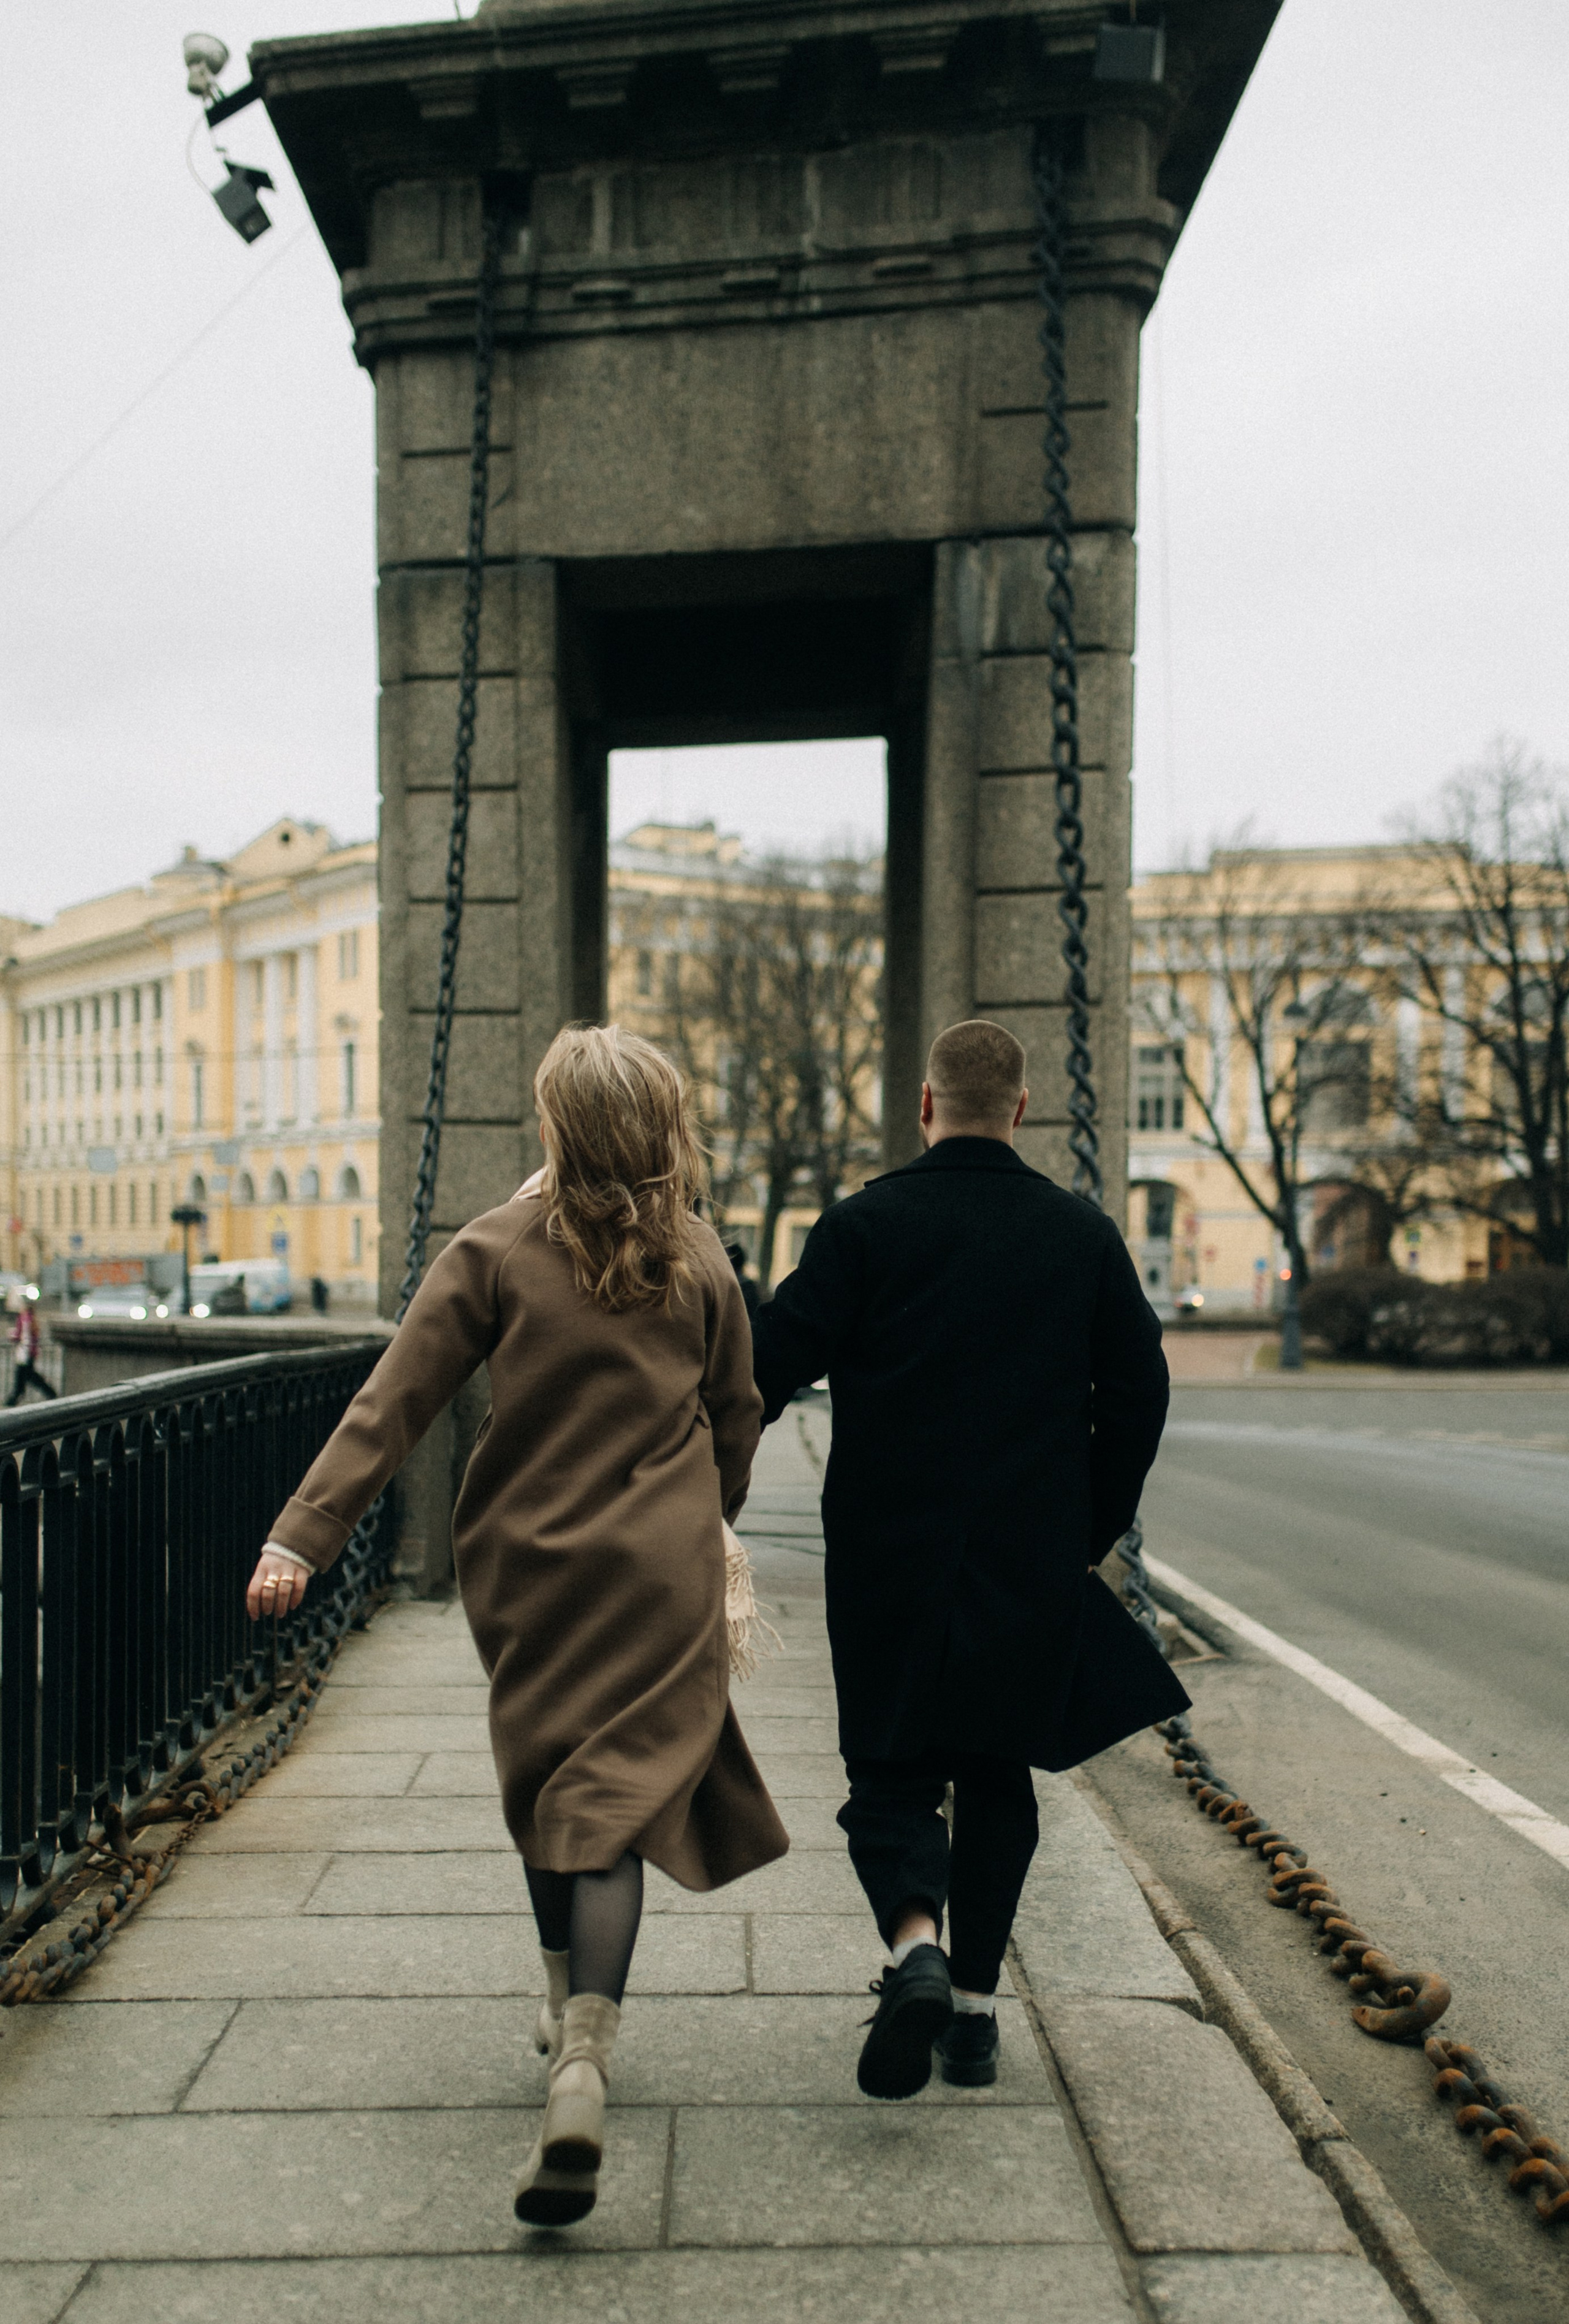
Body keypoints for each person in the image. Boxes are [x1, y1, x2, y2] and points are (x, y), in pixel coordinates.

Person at [246, 1026, 788, 2224]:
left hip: (528, 1575)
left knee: (555, 1785)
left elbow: (397, 1399)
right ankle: (582, 2025)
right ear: (663, 1128)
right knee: (611, 1801)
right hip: (661, 1573)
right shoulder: (698, 1254)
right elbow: (738, 1411)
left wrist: (301, 1532)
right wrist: (705, 1517)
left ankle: (572, 2038)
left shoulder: (492, 1246)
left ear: (555, 1127)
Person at [750, 1019, 1188, 2100]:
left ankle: (917, 1956)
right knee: (996, 1773)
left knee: (890, 1774)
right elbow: (1141, 1392)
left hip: (886, 1554)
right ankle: (980, 2018)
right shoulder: (1079, 1235)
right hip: (1026, 1553)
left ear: (927, 1107)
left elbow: (765, 1371)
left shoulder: (860, 1228)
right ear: (1023, 1111)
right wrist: (1089, 1524)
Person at [5, 1293, 57, 1405]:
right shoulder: (31, 1318)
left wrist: (12, 1336)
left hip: (25, 1352)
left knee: (28, 1376)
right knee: (26, 1376)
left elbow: (22, 1336)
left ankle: (15, 1397)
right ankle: (15, 1397)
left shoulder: (24, 1318)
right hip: (30, 1352)